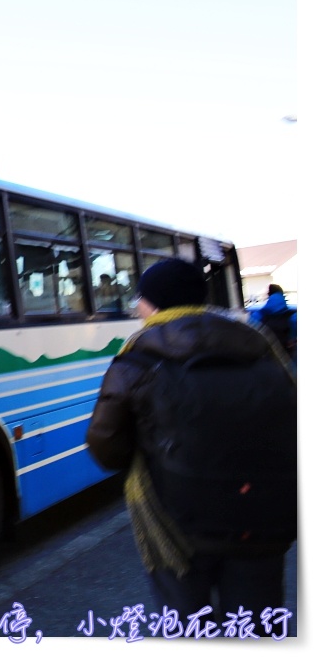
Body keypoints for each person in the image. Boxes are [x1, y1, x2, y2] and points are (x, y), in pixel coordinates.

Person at [86, 258, 297, 629]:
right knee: (259, 627)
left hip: (174, 525)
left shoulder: (136, 358)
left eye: (140, 298)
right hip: (262, 516)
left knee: (188, 628)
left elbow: (107, 446)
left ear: (153, 303)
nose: (136, 306)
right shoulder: (260, 344)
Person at [249, 284, 297, 362]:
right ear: (282, 294)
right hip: (287, 354)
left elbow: (250, 325)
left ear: (269, 295)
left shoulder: (260, 314)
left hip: (267, 354)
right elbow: (293, 335)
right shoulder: (292, 315)